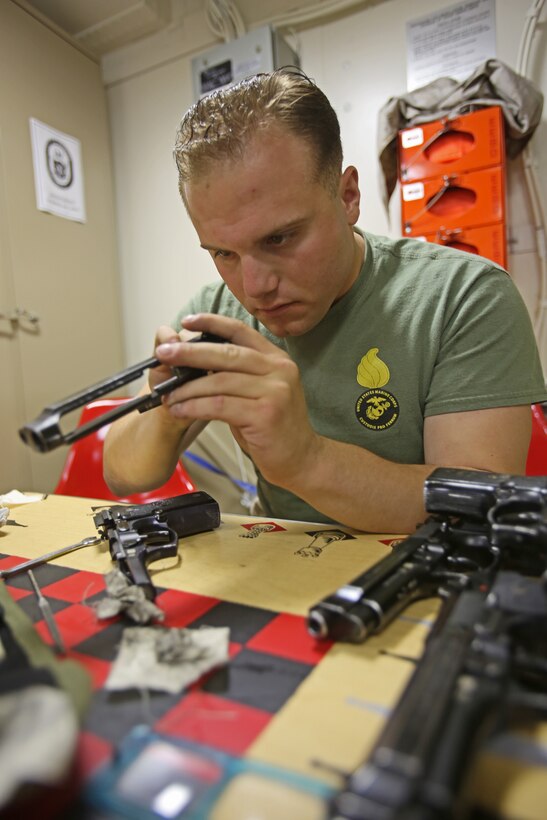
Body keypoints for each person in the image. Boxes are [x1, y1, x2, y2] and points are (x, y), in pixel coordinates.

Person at [104, 68, 547, 534]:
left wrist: (306, 460)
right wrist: (168, 415)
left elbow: (478, 510)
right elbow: (122, 472)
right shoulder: (219, 317)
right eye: (223, 252)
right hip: (284, 569)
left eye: (279, 238)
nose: (254, 287)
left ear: (348, 196)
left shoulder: (462, 296)